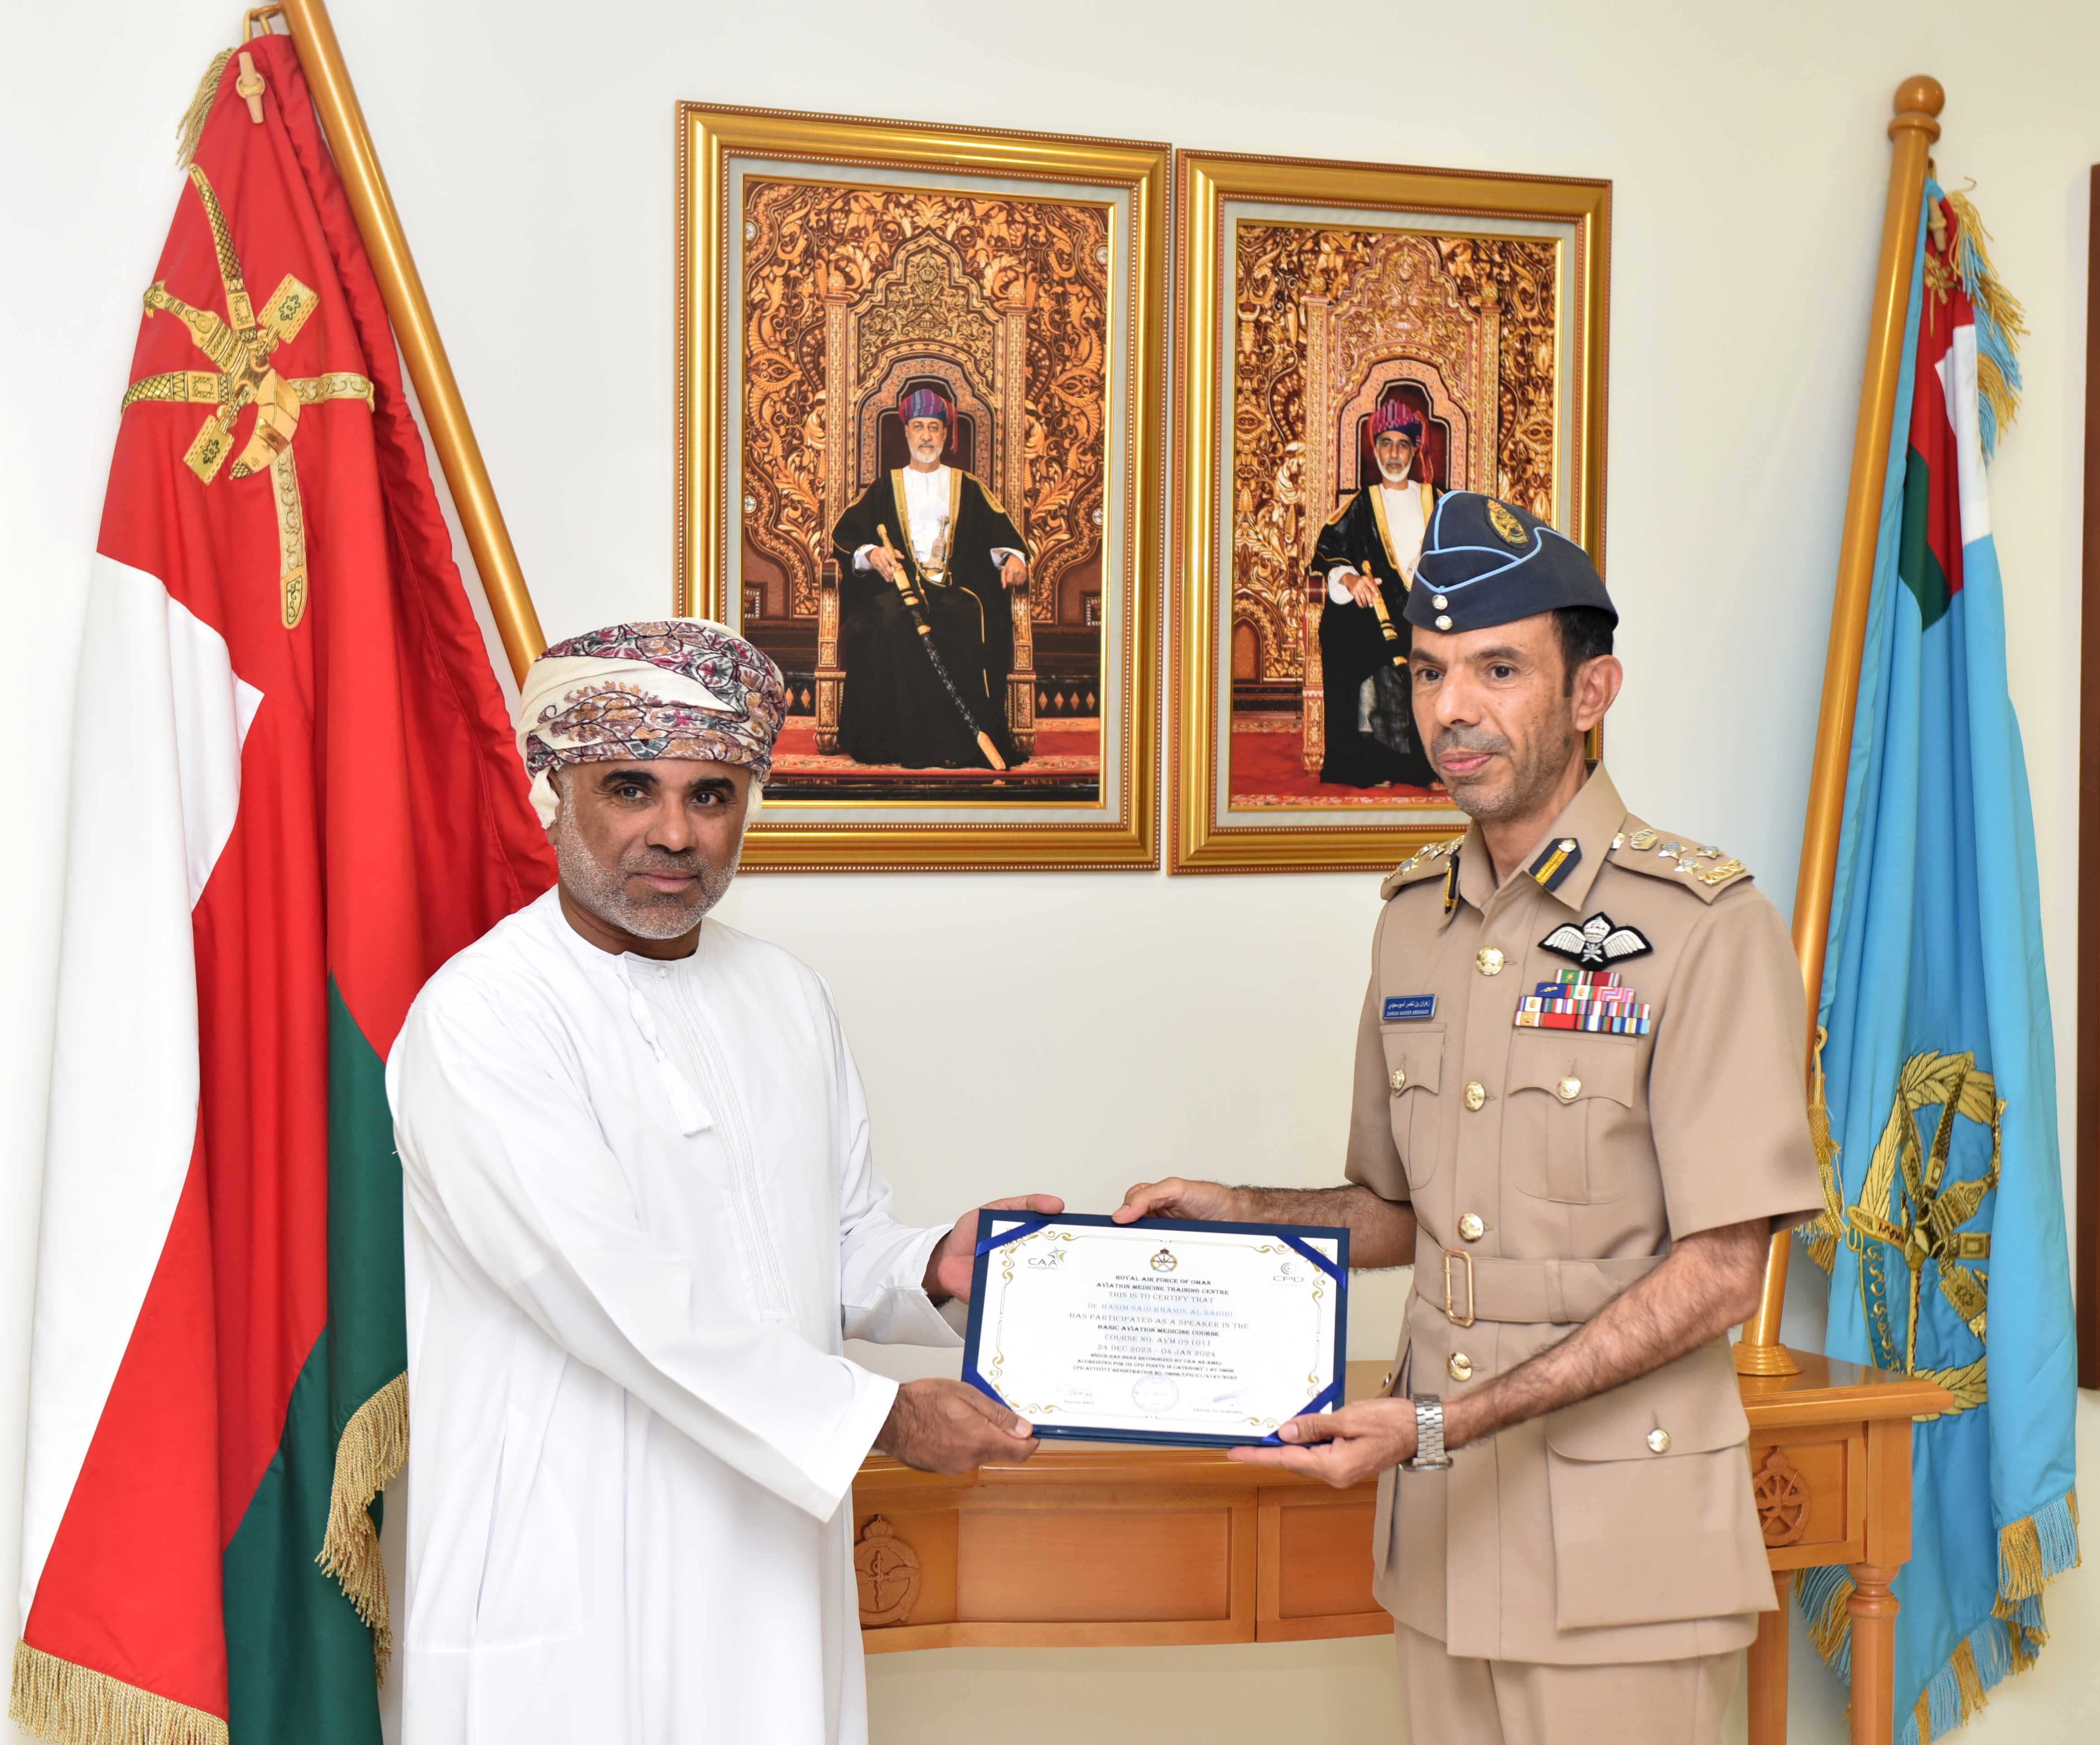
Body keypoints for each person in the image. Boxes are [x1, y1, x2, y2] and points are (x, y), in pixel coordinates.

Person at [1117, 494, 1823, 1745]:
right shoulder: (1412, 918)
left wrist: (1441, 1424)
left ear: (1591, 692)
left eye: (1499, 671)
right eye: (1430, 671)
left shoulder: (1703, 926)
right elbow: (1404, 1214)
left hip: (1624, 1557)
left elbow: (1722, 1272)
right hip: (1445, 1542)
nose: (1452, 709)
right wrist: (1239, 1215)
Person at [386, 619, 1058, 1744]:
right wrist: (882, 1416)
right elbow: (612, 1296)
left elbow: (824, 1246)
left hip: (766, 1545)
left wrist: (932, 1264)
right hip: (568, 1551)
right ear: (555, 792)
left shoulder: (785, 994)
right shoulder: (484, 1014)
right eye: (631, 788)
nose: (673, 833)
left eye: (711, 795)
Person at [829, 385, 1028, 768]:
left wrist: (1014, 559)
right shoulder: (885, 487)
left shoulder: (967, 487)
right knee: (890, 622)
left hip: (954, 588)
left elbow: (1002, 537)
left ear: (946, 434)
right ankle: (900, 743)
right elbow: (846, 537)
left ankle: (958, 744)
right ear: (906, 432)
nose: (926, 436)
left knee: (964, 617)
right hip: (897, 591)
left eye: (934, 428)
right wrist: (871, 554)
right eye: (918, 427)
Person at [1310, 400, 1440, 788]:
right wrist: (1351, 581)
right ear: (1375, 449)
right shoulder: (1361, 505)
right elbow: (1330, 553)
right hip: (1379, 617)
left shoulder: (1438, 501)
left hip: (1431, 612)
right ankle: (1372, 764)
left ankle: (1431, 765)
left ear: (1414, 451)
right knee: (1347, 632)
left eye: (1403, 445)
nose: (1394, 454)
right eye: (1386, 443)